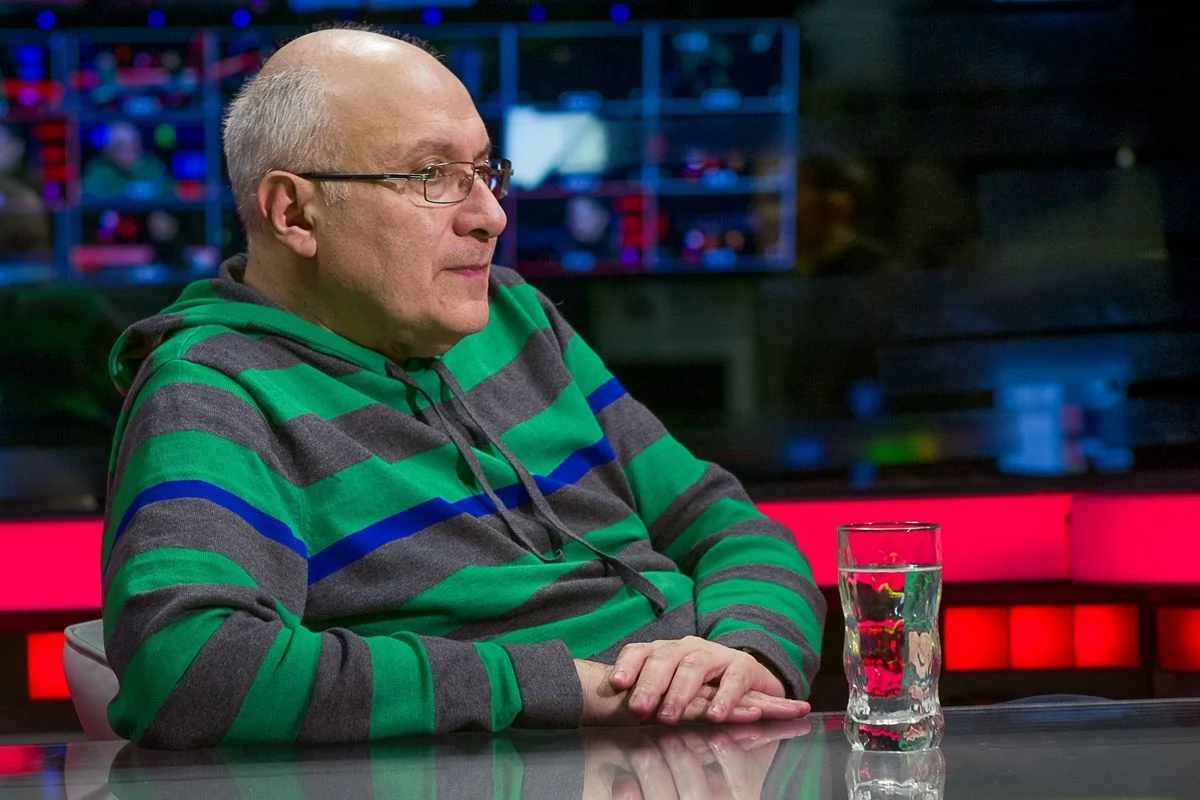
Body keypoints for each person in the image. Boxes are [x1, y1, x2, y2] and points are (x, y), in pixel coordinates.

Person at [101, 25, 825, 749]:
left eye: (483, 171)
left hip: (724, 742)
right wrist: (572, 688)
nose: (491, 216)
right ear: (294, 213)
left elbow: (726, 524)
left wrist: (748, 653)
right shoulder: (211, 387)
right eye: (432, 175)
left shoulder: (515, 316)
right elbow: (188, 670)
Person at [81, 121, 173, 200]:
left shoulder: (151, 164)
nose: (130, 150)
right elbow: (91, 193)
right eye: (121, 145)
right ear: (109, 150)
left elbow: (168, 189)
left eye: (134, 144)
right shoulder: (99, 170)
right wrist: (127, 191)